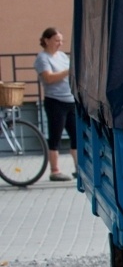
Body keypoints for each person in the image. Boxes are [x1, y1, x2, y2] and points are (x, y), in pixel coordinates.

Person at [33, 28, 75, 181]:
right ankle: (55, 171)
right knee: (55, 135)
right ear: (46, 40)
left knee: (76, 135)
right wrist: (67, 72)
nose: (60, 43)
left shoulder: (62, 56)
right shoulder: (42, 58)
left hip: (70, 99)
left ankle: (78, 167)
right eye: (57, 40)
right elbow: (48, 78)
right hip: (55, 101)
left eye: (61, 40)